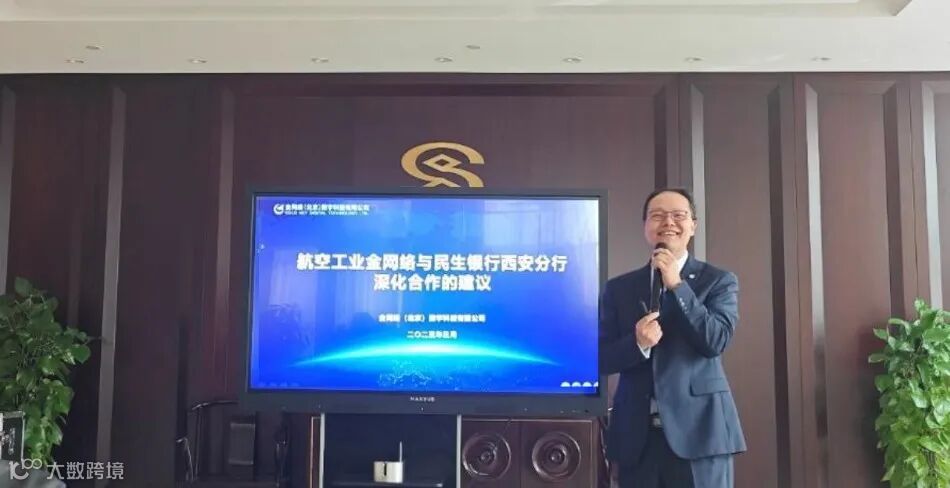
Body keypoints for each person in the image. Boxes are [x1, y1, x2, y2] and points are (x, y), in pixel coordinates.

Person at [600, 188, 746, 488]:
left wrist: (678, 286)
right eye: (658, 215)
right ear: (645, 226)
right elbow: (601, 358)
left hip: (700, 435)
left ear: (693, 226)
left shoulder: (719, 281)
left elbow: (715, 340)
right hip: (637, 439)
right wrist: (637, 344)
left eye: (678, 215)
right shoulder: (619, 288)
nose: (668, 222)